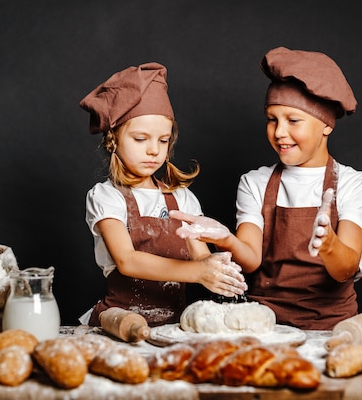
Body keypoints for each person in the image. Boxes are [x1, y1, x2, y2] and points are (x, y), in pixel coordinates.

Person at [170, 47, 362, 330]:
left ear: (326, 124)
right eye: (271, 119)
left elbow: (346, 269)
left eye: (293, 120)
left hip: (332, 326)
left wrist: (328, 244)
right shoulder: (255, 182)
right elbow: (251, 260)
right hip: (264, 324)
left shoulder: (354, 184)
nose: (279, 132)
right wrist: (226, 238)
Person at [78, 62, 247, 327]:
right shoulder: (107, 197)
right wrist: (198, 272)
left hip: (175, 325)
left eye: (163, 140)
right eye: (140, 138)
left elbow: (200, 257)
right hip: (120, 321)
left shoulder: (182, 198)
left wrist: (217, 266)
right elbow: (127, 260)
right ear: (113, 140)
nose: (153, 150)